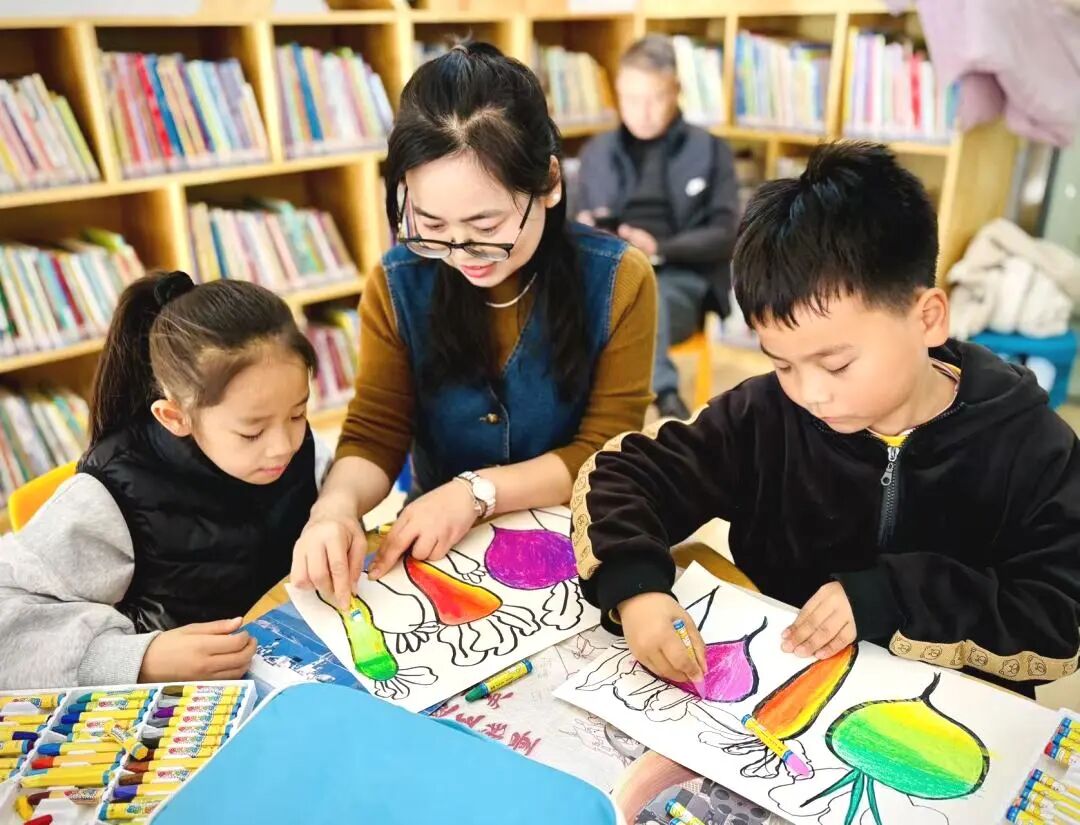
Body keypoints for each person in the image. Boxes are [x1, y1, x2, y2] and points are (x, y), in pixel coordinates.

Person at [572, 142, 1080, 697]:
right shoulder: (764, 415)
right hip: (776, 696)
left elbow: (1059, 616)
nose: (811, 394)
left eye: (837, 364)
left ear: (928, 319)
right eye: (783, 364)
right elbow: (625, 474)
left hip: (951, 717)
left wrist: (895, 596)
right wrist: (637, 588)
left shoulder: (1030, 445)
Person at [291, 43, 657, 612]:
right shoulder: (396, 283)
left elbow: (604, 448)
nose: (461, 252)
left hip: (576, 537)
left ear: (550, 182)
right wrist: (335, 507)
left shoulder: (619, 279)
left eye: (486, 225)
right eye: (431, 224)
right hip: (441, 549)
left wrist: (476, 492)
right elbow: (375, 430)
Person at [0, 272, 328, 688]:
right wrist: (139, 657)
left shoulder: (294, 444)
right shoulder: (111, 495)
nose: (283, 446)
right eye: (252, 432)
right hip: (188, 705)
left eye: (298, 413)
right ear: (174, 417)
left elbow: (329, 484)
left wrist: (335, 512)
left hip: (294, 668)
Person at [575, 35, 739, 419]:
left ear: (676, 90)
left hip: (681, 278)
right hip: (608, 274)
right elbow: (575, 224)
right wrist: (586, 231)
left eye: (655, 98)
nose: (642, 112)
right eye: (631, 99)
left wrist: (659, 248)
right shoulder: (596, 152)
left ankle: (663, 399)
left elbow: (726, 233)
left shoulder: (711, 150)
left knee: (648, 293)